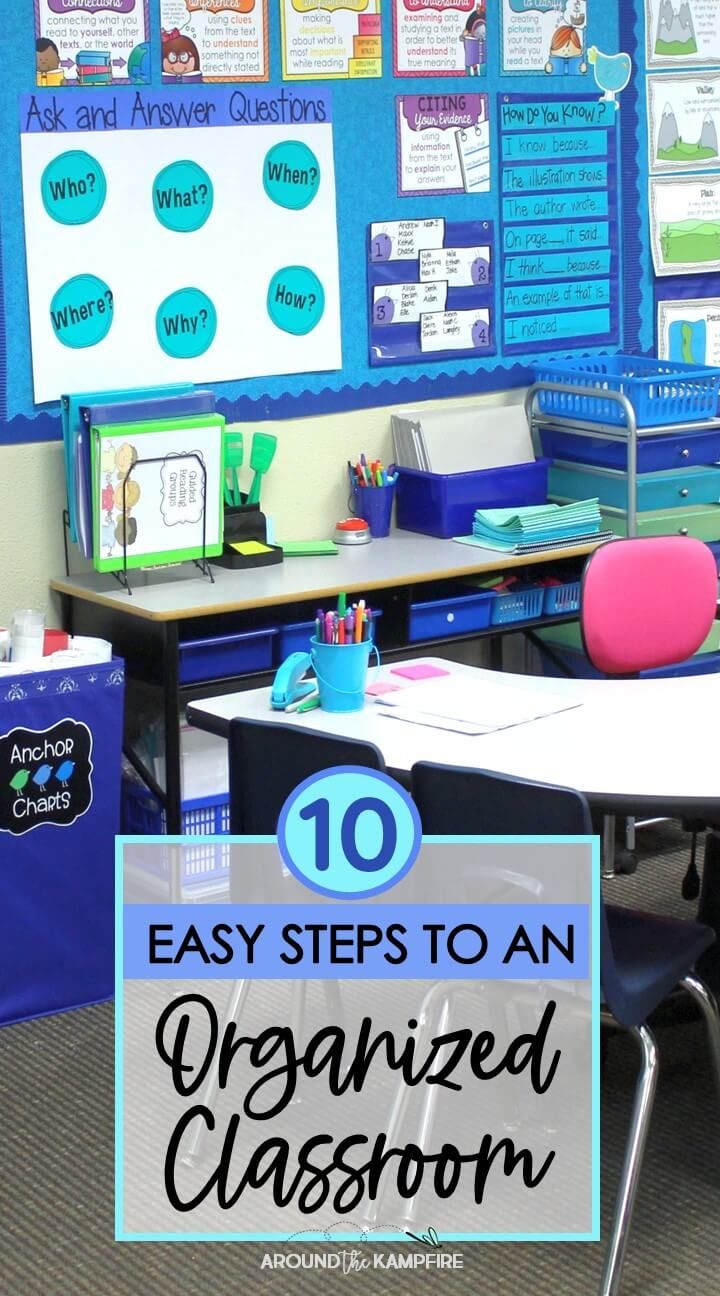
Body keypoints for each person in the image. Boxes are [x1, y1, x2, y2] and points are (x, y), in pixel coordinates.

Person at [460, 0, 486, 77]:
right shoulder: (472, 18)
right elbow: (466, 30)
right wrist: (464, 36)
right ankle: (474, 70)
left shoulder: (485, 17)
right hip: (473, 43)